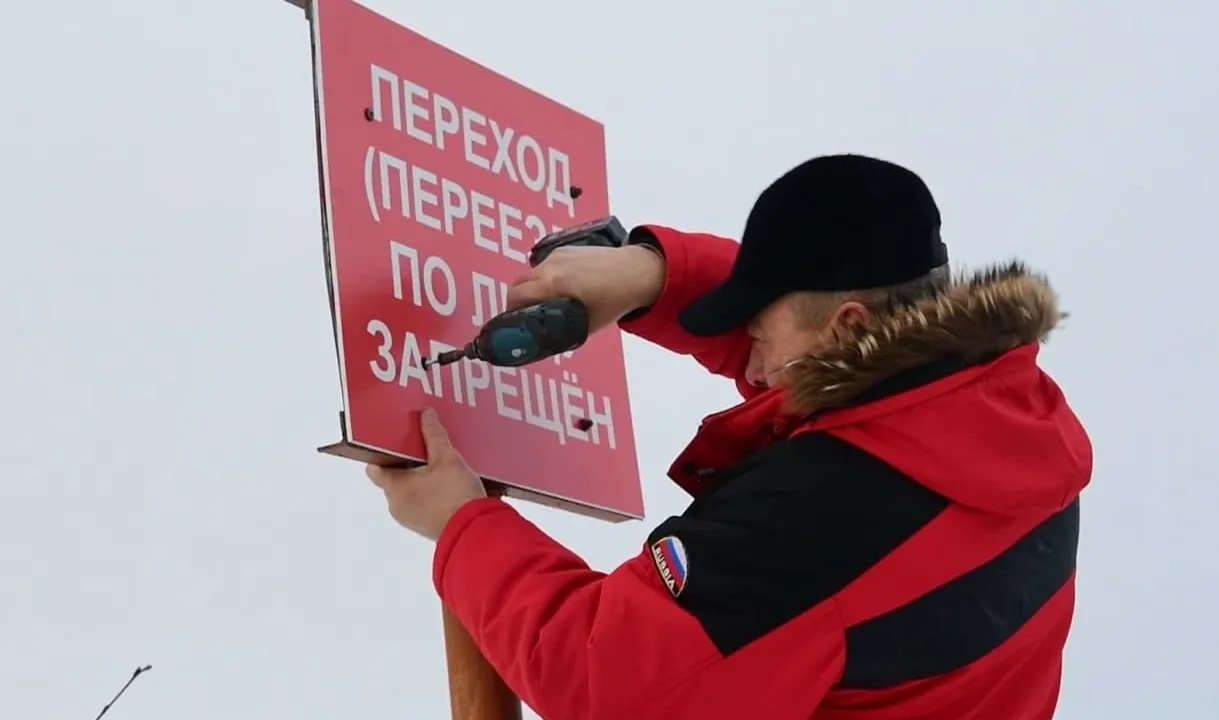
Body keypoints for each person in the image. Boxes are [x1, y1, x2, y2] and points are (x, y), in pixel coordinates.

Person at [366, 154, 1093, 720]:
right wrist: (655, 276)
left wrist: (462, 524)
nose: (743, 345)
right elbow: (824, 371)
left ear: (849, 329)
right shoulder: (1007, 405)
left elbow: (602, 679)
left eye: (756, 320)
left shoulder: (819, 519)